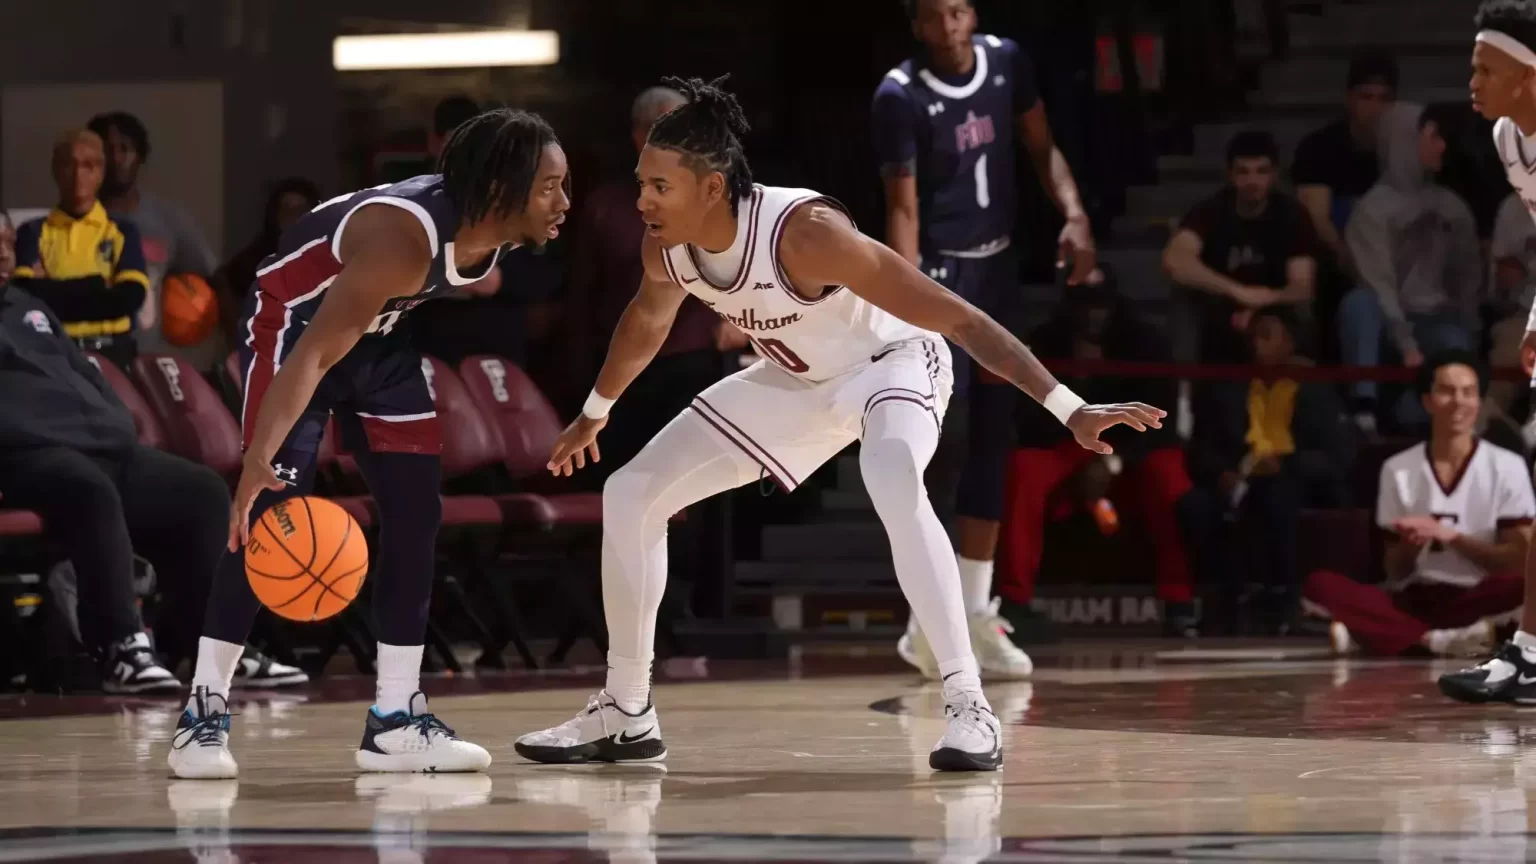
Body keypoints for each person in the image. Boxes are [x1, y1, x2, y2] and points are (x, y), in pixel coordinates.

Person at [513, 76, 1161, 772]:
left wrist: (1069, 407)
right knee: (630, 493)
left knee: (890, 474)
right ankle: (626, 710)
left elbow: (960, 318)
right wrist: (594, 412)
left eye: (658, 187)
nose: (640, 200)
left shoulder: (807, 234)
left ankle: (970, 704)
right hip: (798, 382)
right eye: (640, 181)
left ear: (710, 187)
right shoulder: (665, 247)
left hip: (894, 365)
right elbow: (646, 321)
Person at [166, 108, 571, 779]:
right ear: (502, 187)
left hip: (378, 341)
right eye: (551, 186)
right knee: (264, 519)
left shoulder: (494, 236)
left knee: (418, 515)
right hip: (295, 332)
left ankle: (394, 718)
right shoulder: (404, 239)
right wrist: (256, 463)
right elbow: (315, 354)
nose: (564, 201)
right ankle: (201, 715)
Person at [871, 0, 1096, 678]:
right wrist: (904, 301)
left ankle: (973, 612)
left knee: (996, 437)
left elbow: (1042, 147)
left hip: (996, 271)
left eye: (959, 12)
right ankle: (925, 617)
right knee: (944, 438)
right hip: (939, 274)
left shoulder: (1007, 62)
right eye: (935, 17)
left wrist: (1075, 215)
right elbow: (901, 207)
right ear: (916, 25)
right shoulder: (899, 95)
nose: (950, 28)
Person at [0, 210, 256, 694]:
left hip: (97, 445)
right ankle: (119, 647)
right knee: (89, 489)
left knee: (200, 491)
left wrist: (113, 421)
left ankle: (211, 645)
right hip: (26, 454)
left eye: (9, 241)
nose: (3, 252)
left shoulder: (28, 307)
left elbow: (84, 373)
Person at [996, 273, 1198, 637]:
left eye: (1101, 307)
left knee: (1169, 475)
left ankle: (1179, 600)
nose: (1093, 316)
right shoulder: (1045, 342)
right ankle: (1014, 601)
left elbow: (1163, 422)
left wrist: (1111, 459)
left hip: (1129, 449)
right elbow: (1026, 422)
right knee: (1023, 469)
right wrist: (1081, 385)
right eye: (1084, 307)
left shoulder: (1146, 343)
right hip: (1065, 444)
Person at [1438, 0, 1536, 703]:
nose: (1471, 80)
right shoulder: (1510, 137)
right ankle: (1529, 652)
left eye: (1485, 68)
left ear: (1529, 76)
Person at [1308, 352, 1530, 659]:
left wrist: (1450, 536)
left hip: (1480, 595)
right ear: (1427, 401)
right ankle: (1436, 641)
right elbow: (1395, 571)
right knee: (1320, 585)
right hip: (1418, 597)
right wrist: (1411, 546)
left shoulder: (1507, 466)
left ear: (1479, 401)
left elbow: (1517, 561)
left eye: (1468, 392)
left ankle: (1384, 637)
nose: (1458, 401)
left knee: (1525, 586)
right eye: (1447, 391)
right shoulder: (1398, 469)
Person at [1184, 307, 1355, 635]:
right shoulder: (1228, 388)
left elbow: (1338, 454)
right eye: (1254, 336)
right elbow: (1202, 448)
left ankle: (1281, 599)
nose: (1256, 344)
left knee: (1277, 493)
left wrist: (1286, 464)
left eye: (1266, 336)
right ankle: (1221, 601)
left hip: (1296, 478)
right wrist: (1222, 472)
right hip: (1239, 477)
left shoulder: (1315, 389)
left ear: (1289, 343)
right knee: (1195, 506)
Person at [1340, 102, 1481, 430]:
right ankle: (1364, 406)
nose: (1441, 146)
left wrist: (1472, 329)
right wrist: (1405, 343)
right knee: (1359, 303)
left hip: (1434, 320)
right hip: (1388, 325)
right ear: (1404, 140)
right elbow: (1378, 282)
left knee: (1454, 340)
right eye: (1431, 137)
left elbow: (1467, 278)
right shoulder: (1372, 211)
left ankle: (1430, 415)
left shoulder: (1452, 207)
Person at [1162, 129, 1319, 367]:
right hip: (1220, 311)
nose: (1252, 181)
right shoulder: (1212, 210)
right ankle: (1185, 391)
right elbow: (1174, 260)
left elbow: (1302, 286)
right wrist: (1238, 292)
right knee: (1183, 298)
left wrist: (1261, 303)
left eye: (1261, 171)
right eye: (1243, 172)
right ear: (1230, 174)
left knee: (1283, 326)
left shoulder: (1291, 214)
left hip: (1273, 311)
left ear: (1274, 174)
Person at [88, 111, 222, 368]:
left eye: (125, 149)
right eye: (106, 150)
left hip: (148, 366)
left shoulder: (167, 220)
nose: (116, 158)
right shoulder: (69, 223)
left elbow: (215, 276)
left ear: (140, 156)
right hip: (89, 362)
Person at [12, 129, 149, 369]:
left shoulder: (121, 230)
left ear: (101, 173)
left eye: (88, 166)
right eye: (69, 165)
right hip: (53, 355)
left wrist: (52, 288)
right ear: (56, 171)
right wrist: (97, 286)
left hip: (113, 355)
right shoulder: (32, 232)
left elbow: (130, 297)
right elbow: (26, 298)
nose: (78, 175)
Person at [1292, 50, 1398, 276]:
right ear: (1349, 99)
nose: (1375, 108)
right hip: (1337, 263)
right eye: (1366, 97)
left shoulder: (1408, 149)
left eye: (1384, 98)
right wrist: (1354, 261)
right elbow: (1317, 220)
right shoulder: (1318, 148)